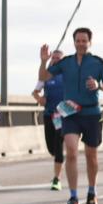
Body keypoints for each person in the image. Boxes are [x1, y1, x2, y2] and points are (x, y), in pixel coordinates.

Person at [38, 29, 103, 204]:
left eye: (84, 41)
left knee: (90, 155)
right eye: (78, 40)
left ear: (90, 42)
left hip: (92, 113)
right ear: (74, 42)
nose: (81, 43)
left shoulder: (97, 62)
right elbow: (43, 77)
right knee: (71, 152)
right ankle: (73, 197)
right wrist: (43, 61)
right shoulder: (66, 63)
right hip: (71, 113)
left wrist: (98, 85)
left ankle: (92, 192)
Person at [32, 49, 65, 190]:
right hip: (48, 114)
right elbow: (35, 92)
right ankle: (59, 162)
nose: (56, 60)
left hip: (61, 115)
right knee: (51, 148)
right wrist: (40, 99)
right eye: (54, 58)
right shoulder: (47, 76)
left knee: (58, 145)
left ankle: (57, 178)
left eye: (59, 58)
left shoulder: (67, 75)